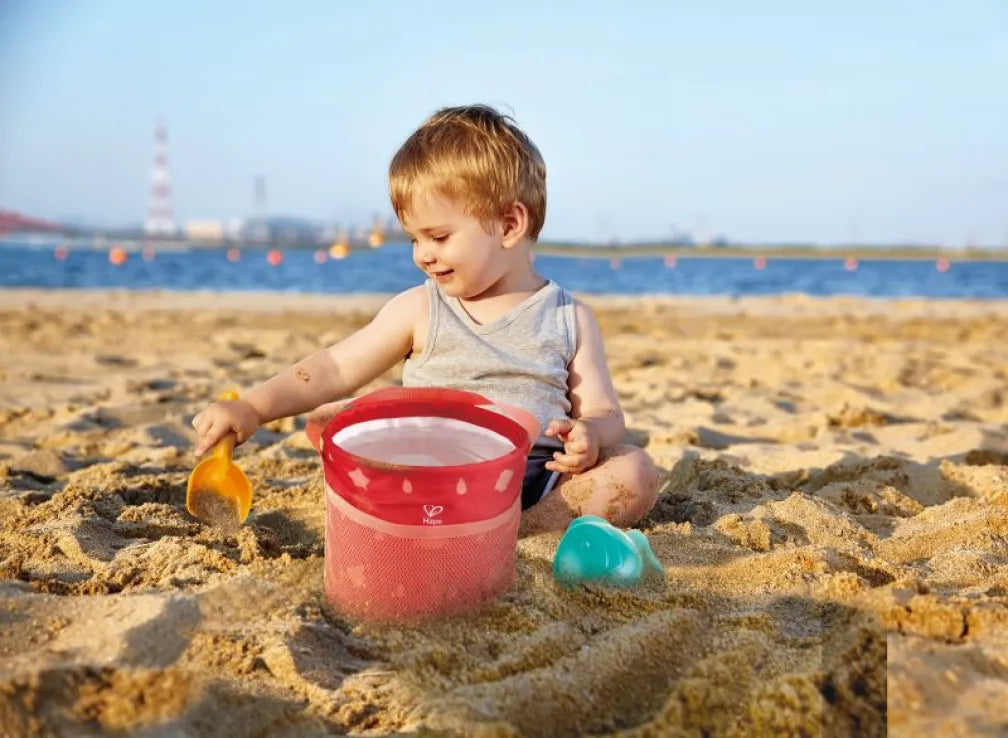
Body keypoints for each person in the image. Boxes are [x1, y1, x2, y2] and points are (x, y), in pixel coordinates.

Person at [192, 104, 661, 533]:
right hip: (428, 487)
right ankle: (430, 503)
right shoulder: (420, 308)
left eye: (438, 236)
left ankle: (521, 536)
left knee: (634, 471)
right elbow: (333, 368)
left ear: (509, 225)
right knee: (367, 429)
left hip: (533, 489)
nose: (423, 256)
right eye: (414, 239)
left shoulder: (568, 317)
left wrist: (591, 436)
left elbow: (603, 411)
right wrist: (253, 407)